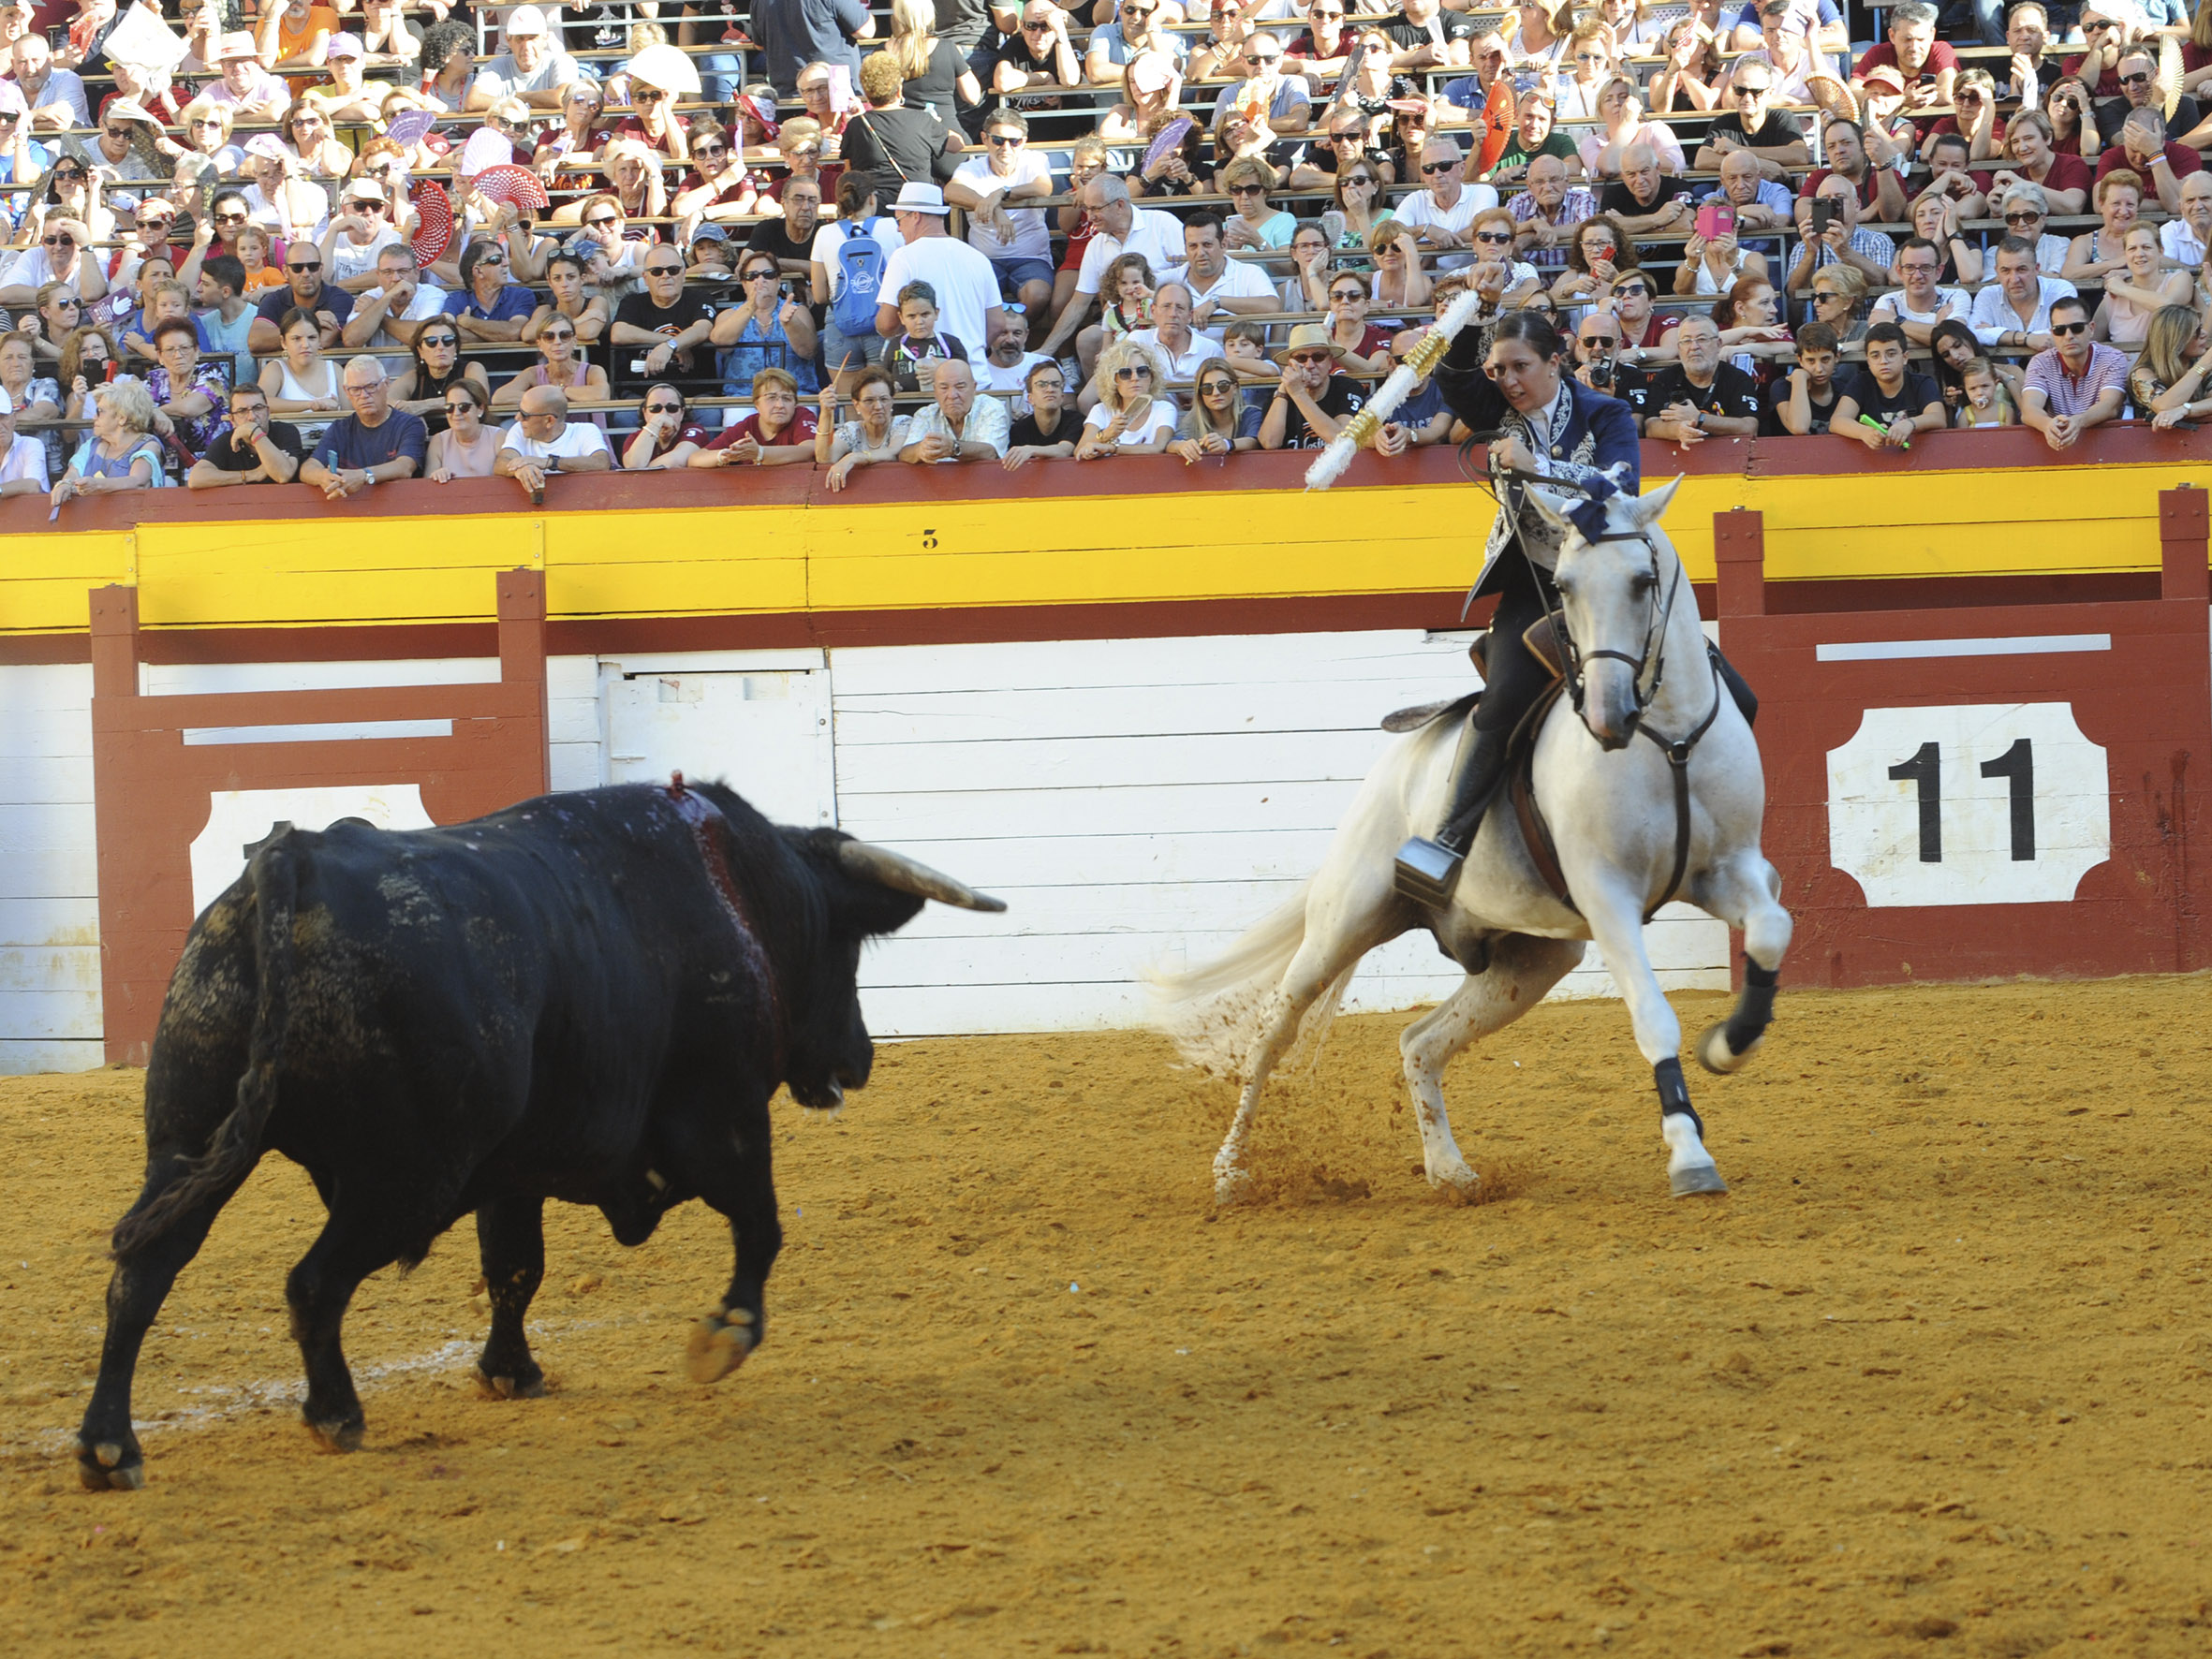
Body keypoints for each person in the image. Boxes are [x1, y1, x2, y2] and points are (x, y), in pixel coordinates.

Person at [1396, 308, 1639, 906]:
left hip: (1605, 576)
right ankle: (1447, 840)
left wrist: (1540, 467)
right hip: (1533, 580)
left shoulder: (1605, 412)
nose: (1506, 380)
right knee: (1504, 695)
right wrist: (1471, 309)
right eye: (1498, 369)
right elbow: (1452, 375)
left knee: (1722, 683)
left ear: (1557, 361)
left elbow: (1621, 490)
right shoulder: (1496, 411)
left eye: (1520, 367)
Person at [874, 182, 1002, 368]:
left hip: (927, 379)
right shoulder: (978, 257)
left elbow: (886, 324)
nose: (898, 229)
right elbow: (997, 323)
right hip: (973, 376)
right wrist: (966, 352)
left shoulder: (904, 257)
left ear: (915, 216)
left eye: (899, 220)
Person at [944, 108, 1052, 319]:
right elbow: (950, 191)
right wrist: (994, 209)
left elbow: (1044, 187)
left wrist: (1001, 193)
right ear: (985, 139)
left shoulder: (1035, 160)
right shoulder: (971, 168)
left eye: (1014, 141)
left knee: (1038, 295)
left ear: (1024, 142)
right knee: (970, 294)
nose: (1006, 147)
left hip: (1031, 257)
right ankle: (995, 340)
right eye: (998, 140)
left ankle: (1012, 335)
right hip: (985, 259)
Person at [301, 355, 428, 499]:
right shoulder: (339, 428)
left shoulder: (409, 424)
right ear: (346, 392)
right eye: (355, 389)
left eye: (370, 387)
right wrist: (323, 477)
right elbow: (307, 468)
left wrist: (363, 476)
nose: (364, 395)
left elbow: (405, 467)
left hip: (400, 507)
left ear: (387, 384)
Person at [841, 50, 956, 207]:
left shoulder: (856, 125)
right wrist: (935, 124)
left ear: (866, 92)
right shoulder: (923, 120)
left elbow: (849, 172)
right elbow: (958, 145)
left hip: (875, 209)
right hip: (918, 208)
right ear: (899, 89)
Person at [813, 171, 899, 378]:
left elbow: (819, 296)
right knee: (882, 400)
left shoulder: (825, 233)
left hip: (841, 323)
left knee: (847, 406)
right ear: (872, 197)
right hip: (883, 321)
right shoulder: (892, 227)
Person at [2020, 294, 2128, 452]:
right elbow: (2029, 409)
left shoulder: (2113, 358)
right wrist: (2047, 425)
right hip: (2056, 445)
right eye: (2060, 330)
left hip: (2110, 444)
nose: (2068, 336)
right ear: (2052, 334)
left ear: (2091, 329)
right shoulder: (2040, 362)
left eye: (2076, 328)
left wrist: (2078, 421)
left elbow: (2110, 406)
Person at [711, 250, 820, 399]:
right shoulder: (728, 315)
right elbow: (721, 343)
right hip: (742, 397)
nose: (760, 280)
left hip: (794, 396)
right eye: (752, 276)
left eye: (768, 274)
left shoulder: (797, 310)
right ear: (744, 284)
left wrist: (790, 322)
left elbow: (808, 351)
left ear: (778, 280)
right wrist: (751, 306)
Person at [610, 242, 714, 396]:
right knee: (623, 418)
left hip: (696, 394)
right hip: (641, 397)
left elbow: (703, 329)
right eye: (657, 271)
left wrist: (669, 346)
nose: (666, 276)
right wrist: (669, 342)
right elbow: (618, 333)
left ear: (683, 274)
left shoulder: (700, 298)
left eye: (673, 270)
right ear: (645, 278)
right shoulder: (632, 302)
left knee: (711, 417)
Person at [1641, 314, 1762, 445]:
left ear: (1718, 344)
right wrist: (1677, 430)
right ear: (1679, 348)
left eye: (1702, 339)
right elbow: (1651, 427)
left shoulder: (1738, 378)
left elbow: (1750, 427)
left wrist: (1700, 418)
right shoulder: (1665, 378)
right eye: (1686, 341)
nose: (1694, 347)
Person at [51, 374, 164, 507]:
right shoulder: (91, 444)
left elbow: (138, 481)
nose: (94, 417)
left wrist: (98, 485)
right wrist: (65, 484)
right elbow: (73, 473)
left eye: (100, 412)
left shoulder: (149, 444)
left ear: (122, 418)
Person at [1831, 321, 1944, 451]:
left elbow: (1938, 417)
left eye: (1891, 354)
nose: (1883, 361)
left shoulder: (1922, 383)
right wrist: (1864, 432)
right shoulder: (1861, 382)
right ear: (1868, 361)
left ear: (1905, 357)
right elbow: (1837, 421)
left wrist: (1910, 424)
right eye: (1875, 356)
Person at [1694, 58, 1809, 179]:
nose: (1747, 98)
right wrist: (1760, 164)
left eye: (1756, 92)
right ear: (1733, 90)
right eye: (1740, 90)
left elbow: (1800, 154)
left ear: (1770, 93)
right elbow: (1702, 159)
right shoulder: (1724, 123)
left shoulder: (1782, 118)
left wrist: (1737, 150)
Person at [1394, 138, 1497, 270]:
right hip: (1427, 283)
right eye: (1429, 169)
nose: (1437, 174)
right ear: (1423, 175)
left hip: (1473, 281)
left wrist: (1435, 248)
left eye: (1445, 166)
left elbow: (1482, 230)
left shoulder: (1483, 192)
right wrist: (1425, 229)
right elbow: (1391, 234)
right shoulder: (1415, 199)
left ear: (1462, 168)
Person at [491, 383, 612, 494]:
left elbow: (601, 463)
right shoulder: (519, 428)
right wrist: (519, 469)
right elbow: (501, 462)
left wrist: (548, 462)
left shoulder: (585, 430)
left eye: (525, 415)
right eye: (519, 411)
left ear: (549, 421)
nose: (518, 418)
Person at [1261, 322, 1365, 450]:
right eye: (1301, 358)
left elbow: (1340, 439)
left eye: (1318, 357)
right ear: (1291, 363)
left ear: (1330, 361)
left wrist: (1298, 393)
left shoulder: (1347, 387)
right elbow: (1270, 443)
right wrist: (1283, 390)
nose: (1309, 365)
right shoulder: (1278, 397)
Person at [1970, 235, 2079, 353]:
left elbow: (2065, 332)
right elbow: (1973, 333)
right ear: (1997, 271)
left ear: (2037, 269)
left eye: (2021, 269)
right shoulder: (1988, 295)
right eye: (2006, 271)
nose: (2014, 279)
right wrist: (2027, 338)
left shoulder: (2060, 289)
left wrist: (1997, 334)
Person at [186, 382, 304, 488]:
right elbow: (196, 478)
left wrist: (255, 432)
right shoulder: (226, 440)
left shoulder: (286, 432)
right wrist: (253, 474)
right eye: (242, 411)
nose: (252, 416)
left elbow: (283, 475)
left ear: (268, 412)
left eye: (258, 408)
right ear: (232, 420)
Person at [1077, 338, 1177, 458]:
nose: (1135, 378)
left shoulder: (1164, 409)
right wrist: (1107, 434)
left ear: (1151, 377)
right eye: (1125, 373)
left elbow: (1159, 447)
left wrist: (1112, 448)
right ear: (1113, 379)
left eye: (1142, 371)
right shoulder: (1101, 410)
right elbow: (1079, 451)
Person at [247, 243, 354, 355]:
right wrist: (312, 321)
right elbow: (255, 341)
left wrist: (286, 334)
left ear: (321, 269)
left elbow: (324, 339)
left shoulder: (340, 298)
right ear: (286, 272)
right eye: (297, 268)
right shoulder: (274, 300)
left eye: (313, 267)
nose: (306, 273)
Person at [258, 307, 343, 448]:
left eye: (312, 338)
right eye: (296, 339)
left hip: (332, 446)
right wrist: (311, 405)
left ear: (319, 340)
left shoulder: (335, 369)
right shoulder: (275, 369)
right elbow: (261, 403)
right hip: (290, 449)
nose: (305, 345)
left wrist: (336, 408)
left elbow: (351, 414)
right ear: (283, 342)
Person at [468, 7, 581, 110]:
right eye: (520, 39)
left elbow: (563, 97)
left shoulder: (562, 61)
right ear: (508, 40)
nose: (526, 47)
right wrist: (517, 101)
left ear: (545, 38)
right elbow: (472, 101)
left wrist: (520, 96)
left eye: (533, 38)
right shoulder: (497, 65)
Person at [816, 363, 909, 487]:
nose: (878, 407)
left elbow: (893, 452)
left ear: (892, 401)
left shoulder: (903, 423)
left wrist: (854, 457)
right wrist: (825, 413)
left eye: (884, 399)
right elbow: (825, 458)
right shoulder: (851, 430)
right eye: (869, 400)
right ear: (856, 405)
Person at [2099, 223, 2194, 344]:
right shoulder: (2112, 298)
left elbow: (2168, 306)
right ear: (2125, 255)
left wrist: (2123, 289)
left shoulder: (2179, 278)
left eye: (2147, 247)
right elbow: (2091, 340)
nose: (2139, 254)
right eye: (2132, 249)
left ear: (2161, 252)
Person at [143, 320, 226, 460]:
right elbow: (133, 409)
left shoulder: (211, 373)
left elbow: (189, 408)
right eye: (170, 350)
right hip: (164, 465)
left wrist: (154, 411)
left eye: (185, 348)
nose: (178, 355)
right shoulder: (154, 379)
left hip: (208, 463)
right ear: (160, 356)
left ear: (196, 351)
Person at [901, 358, 1008, 462]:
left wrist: (954, 448)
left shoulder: (991, 408)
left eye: (960, 387)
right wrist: (919, 450)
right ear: (935, 391)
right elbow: (905, 454)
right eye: (944, 388)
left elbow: (991, 452)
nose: (952, 395)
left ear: (974, 387)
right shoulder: (925, 414)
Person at [1870, 237, 1970, 346]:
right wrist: (1937, 332)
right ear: (1899, 272)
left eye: (1925, 268)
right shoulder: (1888, 301)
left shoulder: (1955, 297)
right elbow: (1882, 344)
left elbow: (1954, 338)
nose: (1917, 276)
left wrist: (1895, 321)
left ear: (1939, 272)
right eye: (1909, 268)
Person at [2128, 303, 2212, 426]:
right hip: (2154, 441)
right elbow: (2164, 406)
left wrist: (2185, 409)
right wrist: (2202, 367)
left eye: (2201, 327)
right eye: (2196, 331)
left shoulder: (2197, 363)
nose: (2204, 333)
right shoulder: (2143, 373)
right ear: (2176, 339)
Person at [1170, 354, 1261, 462]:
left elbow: (1255, 441)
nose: (1216, 393)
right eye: (1207, 388)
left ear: (1235, 387)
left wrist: (1227, 444)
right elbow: (1171, 444)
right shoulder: (1192, 419)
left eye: (1223, 386)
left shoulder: (1251, 413)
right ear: (1200, 393)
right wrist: (1182, 446)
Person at [994, 2, 1083, 110]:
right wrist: (1045, 78)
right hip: (1022, 124)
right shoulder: (1015, 44)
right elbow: (1002, 81)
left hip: (1063, 123)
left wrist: (1061, 34)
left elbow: (1070, 80)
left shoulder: (1065, 46)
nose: (1038, 33)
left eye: (1046, 26)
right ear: (1022, 26)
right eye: (1031, 26)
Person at [1599, 143, 1696, 238]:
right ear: (1623, 176)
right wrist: (1657, 218)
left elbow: (1686, 224)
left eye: (1645, 171)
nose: (1640, 180)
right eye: (1631, 174)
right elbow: (1605, 228)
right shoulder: (1613, 193)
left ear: (1657, 168)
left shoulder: (1678, 187)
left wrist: (1628, 227)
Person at [1001, 357, 1078, 469]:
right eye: (1041, 385)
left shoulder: (1076, 421)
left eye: (1056, 384)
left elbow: (1064, 450)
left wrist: (1031, 450)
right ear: (1030, 398)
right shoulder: (1019, 430)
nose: (1050, 389)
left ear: (1062, 397)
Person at [623, 382, 713, 469]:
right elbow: (633, 465)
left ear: (682, 412)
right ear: (645, 413)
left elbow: (675, 460)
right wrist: (655, 424)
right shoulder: (636, 437)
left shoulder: (694, 430)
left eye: (672, 408)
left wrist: (643, 469)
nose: (663, 414)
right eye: (655, 409)